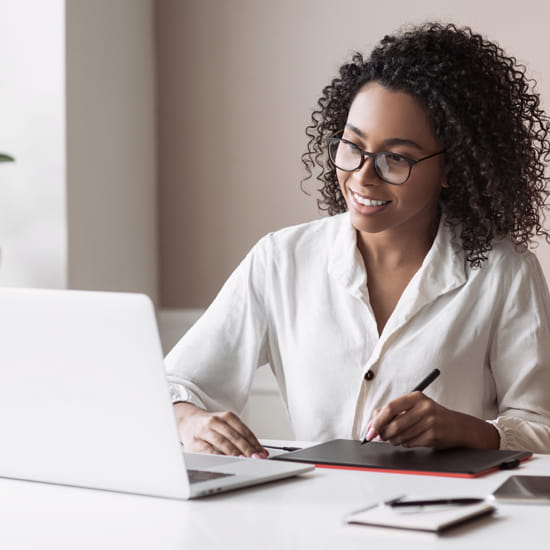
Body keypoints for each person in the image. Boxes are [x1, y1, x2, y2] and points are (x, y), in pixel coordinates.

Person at [165, 22, 550, 457]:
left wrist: (467, 430)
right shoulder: (282, 260)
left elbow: (541, 427)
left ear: (451, 169)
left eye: (396, 158)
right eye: (352, 146)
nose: (363, 177)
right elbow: (175, 382)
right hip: (311, 513)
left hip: (447, 514)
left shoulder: (504, 272)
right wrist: (191, 421)